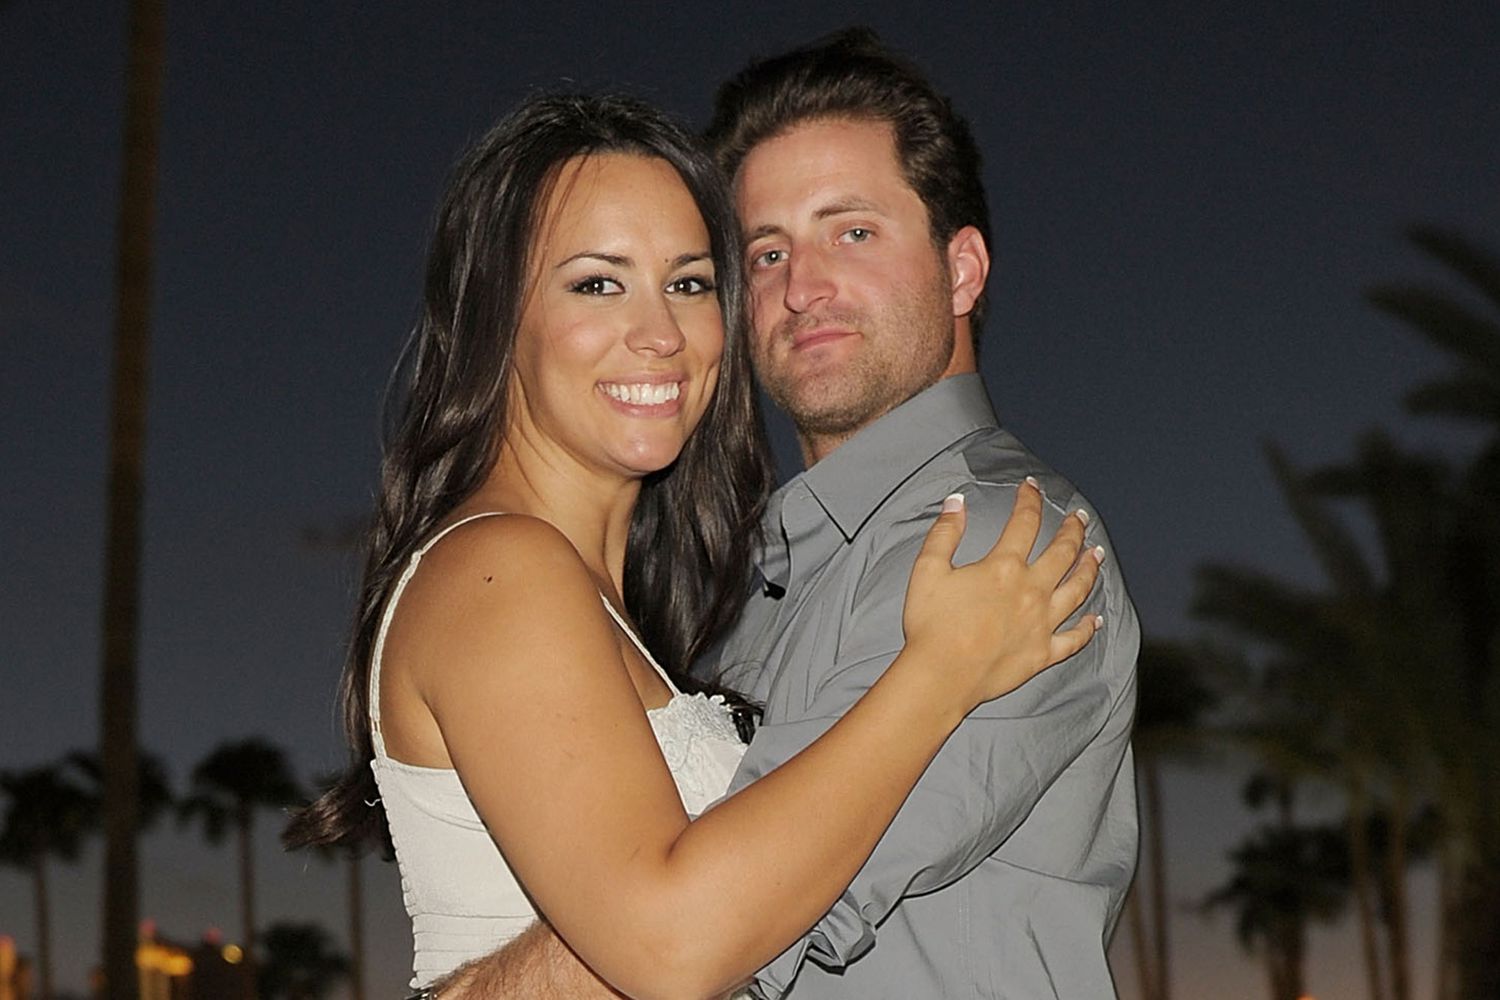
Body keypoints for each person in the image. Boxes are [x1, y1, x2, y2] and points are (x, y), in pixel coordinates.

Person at [284, 91, 1104, 999]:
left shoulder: (603, 594)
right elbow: (673, 943)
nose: (659, 333)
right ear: (498, 316)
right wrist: (939, 674)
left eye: (688, 282)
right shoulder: (502, 569)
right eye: (597, 282)